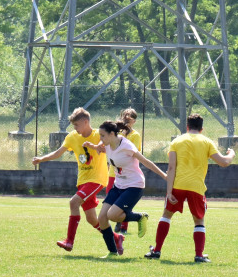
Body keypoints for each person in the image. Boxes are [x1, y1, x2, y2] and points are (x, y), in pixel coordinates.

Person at [145, 113, 235, 263]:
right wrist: (231, 154)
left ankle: (157, 250)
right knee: (199, 221)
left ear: (187, 127)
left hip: (177, 185)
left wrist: (168, 191)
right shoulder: (206, 142)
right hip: (196, 187)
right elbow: (224, 162)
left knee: (166, 216)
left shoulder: (177, 141)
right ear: (202, 128)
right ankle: (199, 255)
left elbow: (171, 167)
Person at [83, 121, 167, 258]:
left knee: (112, 215)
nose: (100, 139)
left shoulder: (127, 146)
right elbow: (102, 149)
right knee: (102, 218)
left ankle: (140, 217)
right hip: (118, 185)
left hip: (134, 186)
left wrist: (164, 175)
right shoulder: (108, 144)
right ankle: (112, 252)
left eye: (103, 136)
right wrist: (91, 146)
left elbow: (146, 162)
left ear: (112, 134)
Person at [32, 107, 109, 252]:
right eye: (73, 125)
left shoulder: (99, 135)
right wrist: (42, 159)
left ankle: (69, 241)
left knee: (73, 202)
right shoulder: (72, 137)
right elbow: (58, 152)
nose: (75, 128)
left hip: (97, 179)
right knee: (92, 219)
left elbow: (112, 146)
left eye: (77, 125)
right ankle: (116, 238)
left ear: (86, 122)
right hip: (83, 181)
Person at [111, 108, 142, 236]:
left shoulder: (135, 135)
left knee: (124, 202)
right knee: (112, 200)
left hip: (127, 173)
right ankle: (118, 221)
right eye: (124, 117)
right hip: (113, 172)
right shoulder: (116, 132)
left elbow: (133, 153)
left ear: (134, 121)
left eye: (130, 118)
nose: (127, 120)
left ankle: (123, 227)